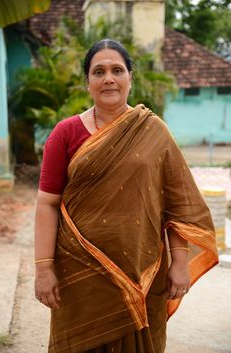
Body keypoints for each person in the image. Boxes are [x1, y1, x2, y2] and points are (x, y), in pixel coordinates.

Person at [34, 39, 218, 353]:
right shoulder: (65, 133)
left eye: (117, 70)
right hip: (79, 274)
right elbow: (47, 204)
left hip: (142, 271)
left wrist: (180, 263)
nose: (108, 78)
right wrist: (43, 269)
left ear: (130, 78)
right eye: (98, 71)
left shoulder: (154, 132)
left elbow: (178, 205)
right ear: (87, 82)